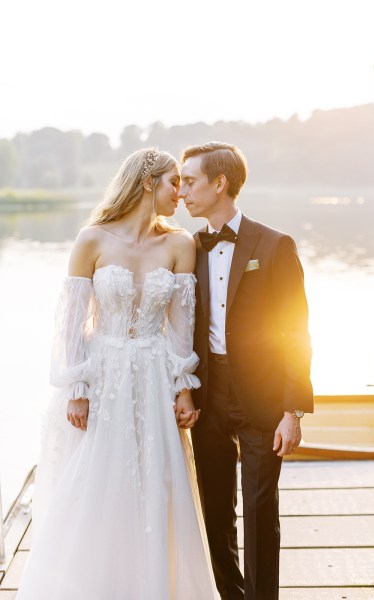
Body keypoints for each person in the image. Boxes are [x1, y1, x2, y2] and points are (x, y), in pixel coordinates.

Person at [16, 148, 219, 600]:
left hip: (152, 377)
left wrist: (183, 387)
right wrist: (77, 387)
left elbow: (181, 329)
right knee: (96, 482)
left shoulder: (180, 244)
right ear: (148, 183)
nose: (180, 193)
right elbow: (71, 324)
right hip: (102, 376)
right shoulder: (92, 240)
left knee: (156, 481)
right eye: (174, 183)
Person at [176, 142, 314, 600]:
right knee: (216, 511)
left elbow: (296, 330)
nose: (182, 192)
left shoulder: (275, 244)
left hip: (263, 396)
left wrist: (293, 409)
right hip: (208, 393)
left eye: (191, 180)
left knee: (259, 510)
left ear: (220, 183)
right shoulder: (187, 248)